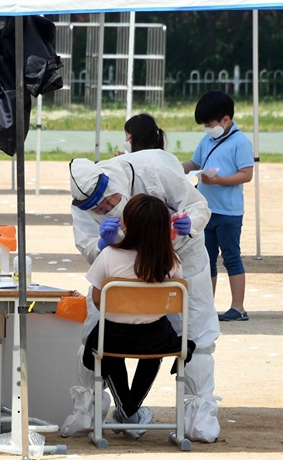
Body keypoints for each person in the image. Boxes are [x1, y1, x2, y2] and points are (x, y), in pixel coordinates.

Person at [63, 114, 220, 443]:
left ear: (111, 181)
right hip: (127, 261)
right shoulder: (84, 207)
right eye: (97, 208)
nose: (106, 209)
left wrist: (189, 224)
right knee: (98, 331)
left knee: (197, 331)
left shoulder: (154, 168)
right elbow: (90, 248)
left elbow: (197, 205)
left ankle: (197, 413)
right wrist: (102, 244)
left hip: (179, 253)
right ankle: (93, 409)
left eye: (109, 200)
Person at [83, 193, 195, 439]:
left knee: (106, 350)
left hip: (113, 336)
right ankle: (130, 413)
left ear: (126, 224)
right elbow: (177, 296)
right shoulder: (171, 260)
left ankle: (128, 412)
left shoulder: (109, 255)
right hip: (155, 336)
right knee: (154, 350)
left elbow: (98, 299)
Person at [182, 91, 254, 322]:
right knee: (207, 259)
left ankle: (238, 307)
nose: (206, 128)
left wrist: (218, 180)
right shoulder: (207, 140)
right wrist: (172, 165)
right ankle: (206, 306)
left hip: (229, 213)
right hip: (205, 211)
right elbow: (195, 162)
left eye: (209, 123)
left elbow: (246, 174)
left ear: (225, 120)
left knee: (232, 257)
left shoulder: (240, 142)